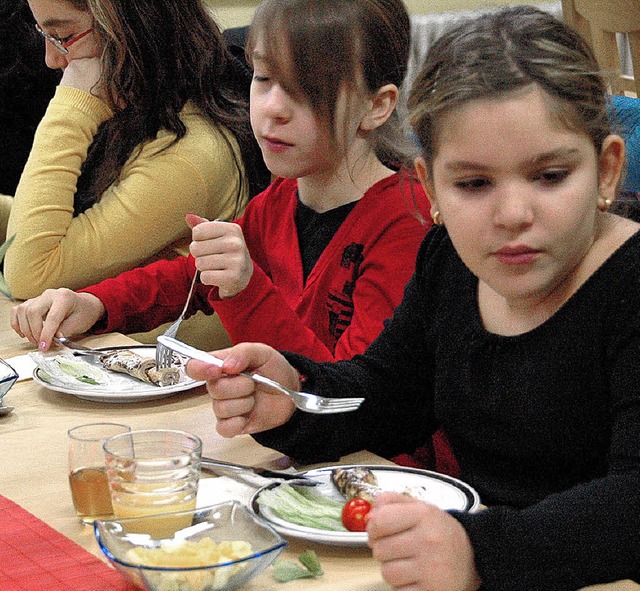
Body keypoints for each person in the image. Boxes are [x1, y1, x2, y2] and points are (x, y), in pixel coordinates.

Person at [181, 6, 640, 591]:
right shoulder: (449, 261)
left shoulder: (629, 287)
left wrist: (478, 551)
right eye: (473, 184)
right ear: (431, 187)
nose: (513, 215)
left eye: (549, 176)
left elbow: (633, 502)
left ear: (605, 172)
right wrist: (295, 395)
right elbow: (390, 394)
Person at [10, 1, 430, 368]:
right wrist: (96, 305)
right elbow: (190, 277)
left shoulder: (405, 224)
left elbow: (354, 396)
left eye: (306, 87)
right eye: (263, 78)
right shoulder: (284, 198)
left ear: (377, 106)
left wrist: (246, 289)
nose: (273, 108)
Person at [3, 0, 268, 302]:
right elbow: (73, 228)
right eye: (44, 35)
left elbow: (29, 271)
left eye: (62, 38)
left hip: (156, 348)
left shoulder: (189, 156)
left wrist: (71, 106)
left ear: (127, 31)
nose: (50, 59)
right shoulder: (146, 113)